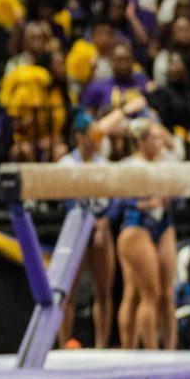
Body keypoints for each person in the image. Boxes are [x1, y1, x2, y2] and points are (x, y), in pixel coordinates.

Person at [116, 119, 179, 350]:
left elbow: (178, 152)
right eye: (154, 139)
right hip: (137, 225)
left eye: (161, 138)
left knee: (167, 294)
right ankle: (147, 351)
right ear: (141, 142)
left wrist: (160, 129)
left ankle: (171, 350)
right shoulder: (129, 166)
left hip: (163, 223)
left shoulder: (165, 163)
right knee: (143, 294)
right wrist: (152, 201)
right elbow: (121, 200)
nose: (160, 143)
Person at [56, 112, 116, 349]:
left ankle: (101, 347)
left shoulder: (105, 165)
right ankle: (62, 345)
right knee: (67, 293)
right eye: (93, 135)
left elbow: (116, 199)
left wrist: (104, 221)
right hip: (76, 226)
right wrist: (86, 221)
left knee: (103, 291)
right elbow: (66, 201)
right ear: (79, 137)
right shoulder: (66, 165)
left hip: (101, 226)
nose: (97, 140)